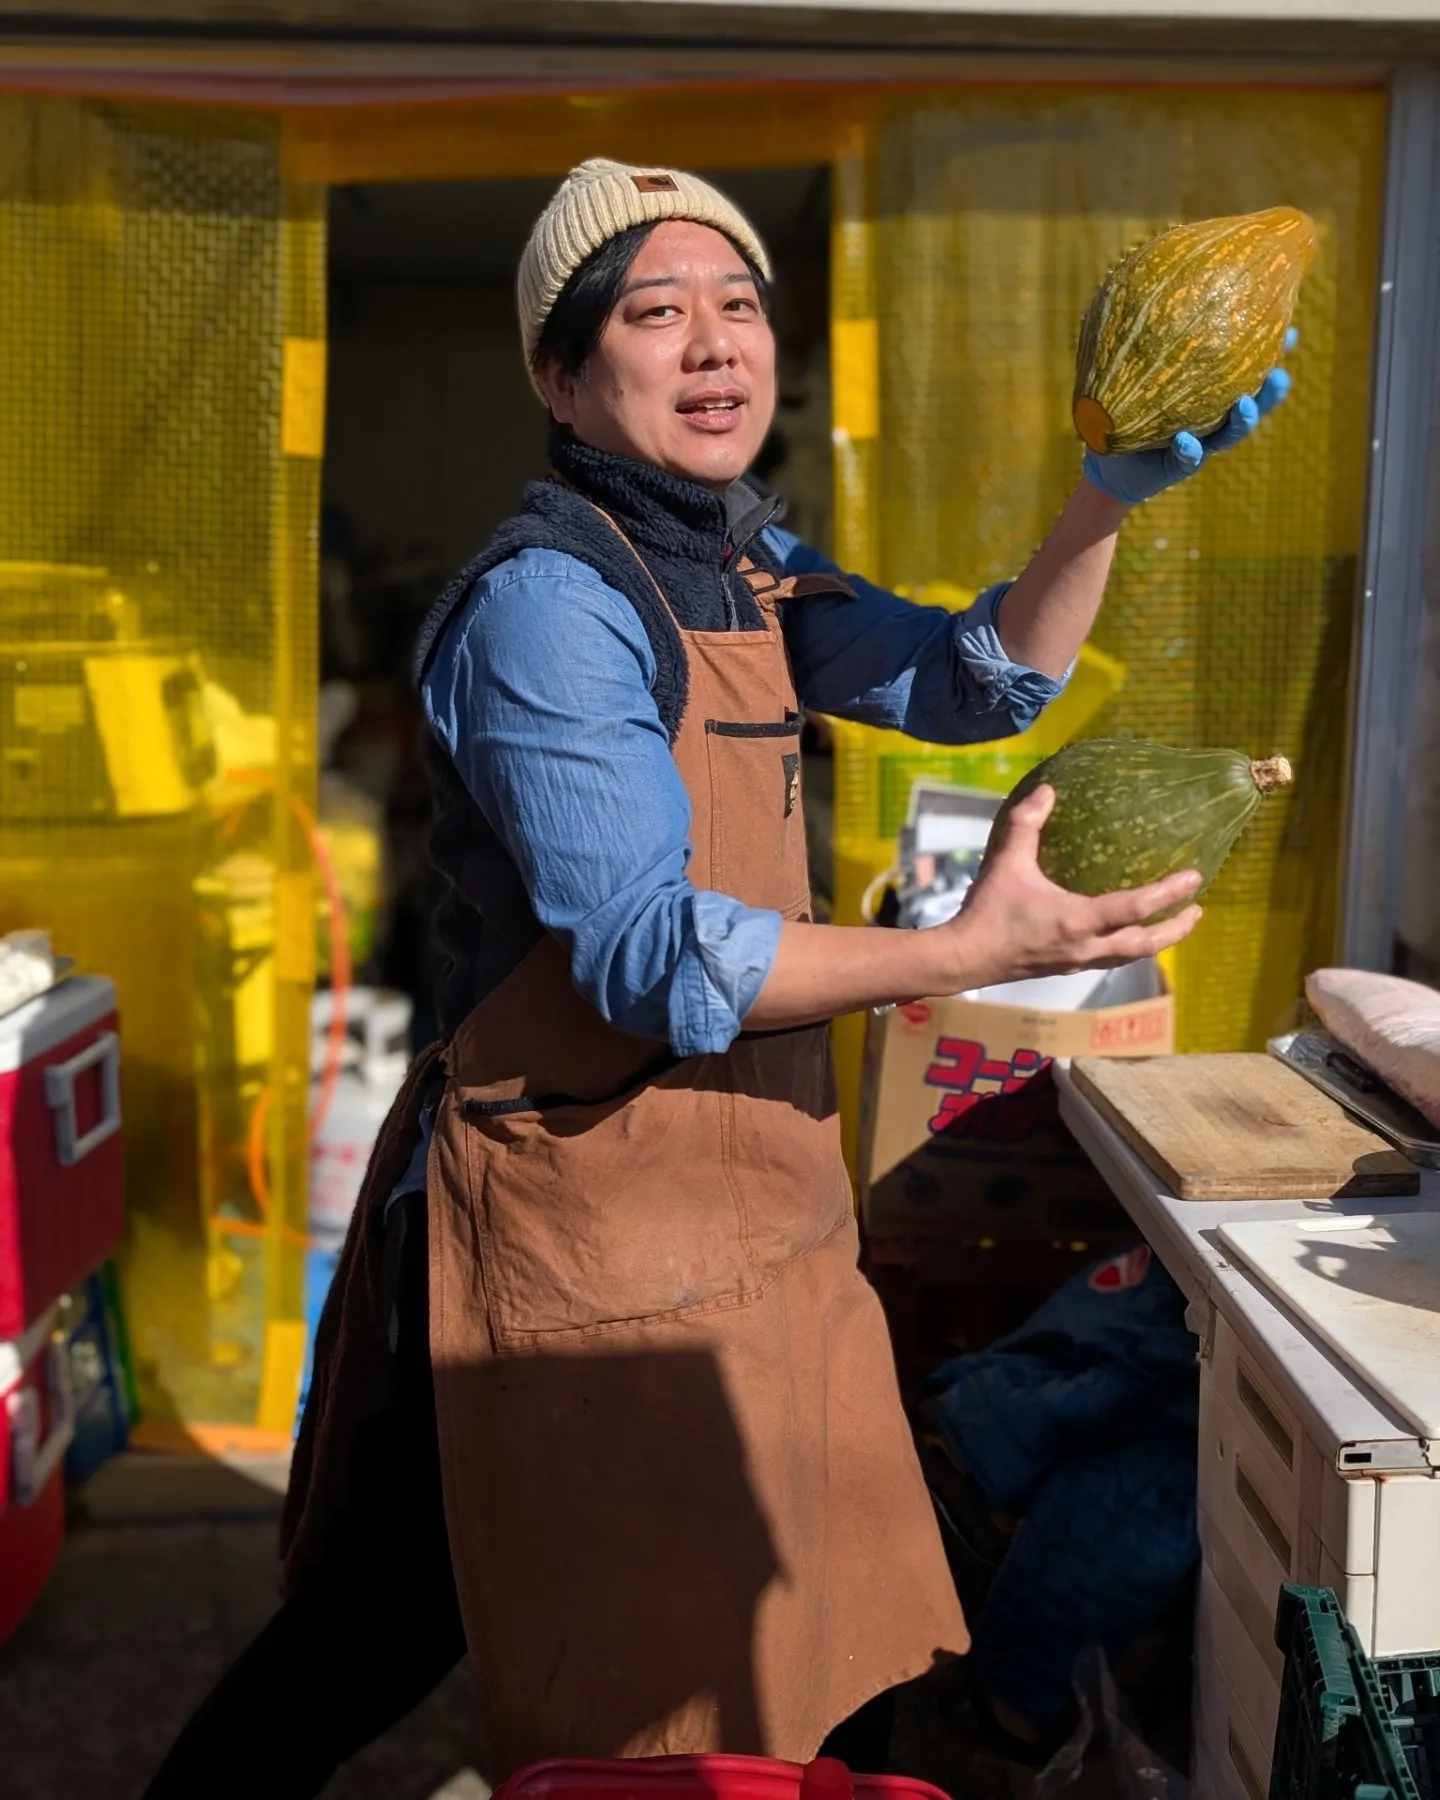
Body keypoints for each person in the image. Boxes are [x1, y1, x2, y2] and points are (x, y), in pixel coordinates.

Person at [144, 159, 1291, 1799]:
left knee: (833, 1634)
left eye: (738, 305)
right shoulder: (550, 606)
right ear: (560, 373)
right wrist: (973, 952)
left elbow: (976, 682)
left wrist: (1103, 495)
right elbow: (645, 953)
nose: (713, 346)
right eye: (654, 313)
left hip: (749, 1195)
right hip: (563, 1223)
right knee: (403, 1623)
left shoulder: (746, 568)